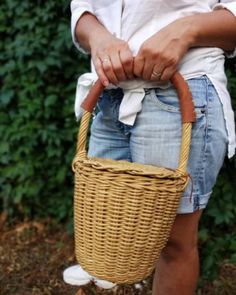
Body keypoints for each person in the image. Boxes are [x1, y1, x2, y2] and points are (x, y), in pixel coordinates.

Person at [63, 1, 236, 294]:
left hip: (179, 96)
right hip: (110, 97)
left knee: (172, 242)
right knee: (111, 233)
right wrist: (98, 38)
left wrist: (185, 30)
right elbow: (83, 10)